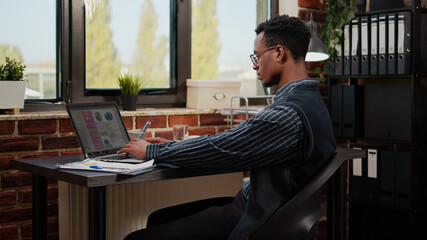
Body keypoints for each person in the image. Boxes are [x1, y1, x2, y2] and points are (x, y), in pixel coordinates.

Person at [118, 14, 336, 240]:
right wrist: (171, 147)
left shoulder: (286, 115)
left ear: (279, 53)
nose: (255, 66)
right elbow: (234, 141)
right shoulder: (313, 103)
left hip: (260, 218)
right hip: (273, 211)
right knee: (159, 218)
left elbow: (219, 149)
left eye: (257, 56)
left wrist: (152, 151)